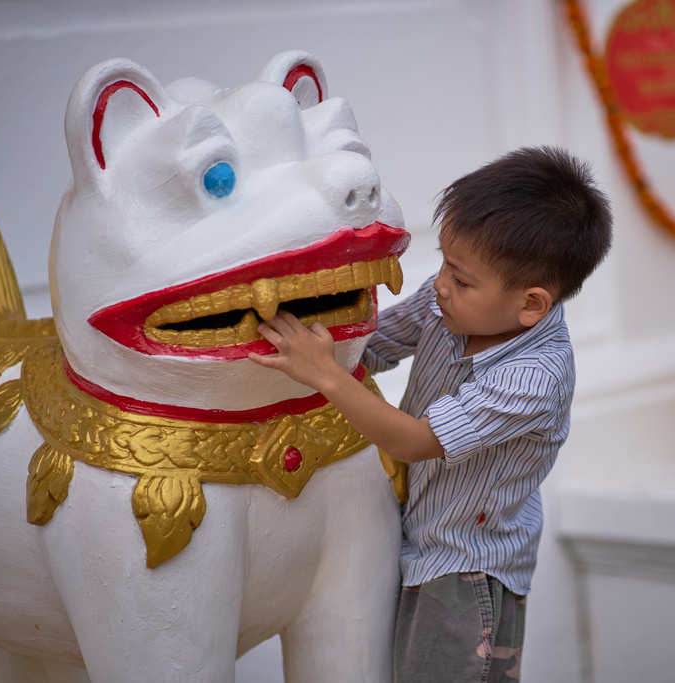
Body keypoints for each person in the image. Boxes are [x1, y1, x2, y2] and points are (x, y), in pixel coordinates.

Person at [249, 146, 612, 682]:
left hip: (465, 574)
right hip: (411, 533)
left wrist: (323, 375)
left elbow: (414, 441)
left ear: (531, 305)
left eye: (462, 279)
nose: (441, 283)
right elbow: (369, 350)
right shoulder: (446, 305)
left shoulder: (534, 378)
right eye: (444, 261)